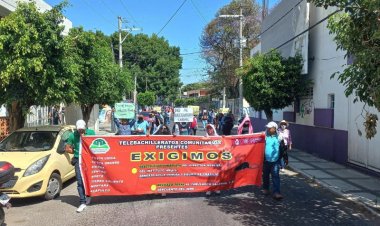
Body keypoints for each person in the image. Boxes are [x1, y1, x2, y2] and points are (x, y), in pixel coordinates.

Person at [65, 119, 95, 212]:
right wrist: (73, 151)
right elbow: (67, 148)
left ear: (85, 127)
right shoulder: (72, 135)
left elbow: (96, 144)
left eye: (82, 129)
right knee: (79, 181)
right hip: (78, 160)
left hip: (88, 159)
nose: (81, 131)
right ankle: (82, 202)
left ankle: (88, 195)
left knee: (88, 179)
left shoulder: (91, 133)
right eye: (79, 129)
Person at [262, 121, 283, 200]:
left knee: (275, 176)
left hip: (275, 160)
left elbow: (283, 147)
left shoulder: (279, 136)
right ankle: (266, 188)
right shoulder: (264, 135)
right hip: (266, 160)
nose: (268, 128)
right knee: (265, 175)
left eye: (270, 127)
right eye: (268, 127)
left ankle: (276, 192)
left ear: (274, 129)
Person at [204, 124, 221, 196]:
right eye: (208, 129)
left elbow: (223, 145)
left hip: (216, 159)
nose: (209, 130)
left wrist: (224, 139)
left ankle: (216, 188)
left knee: (216, 174)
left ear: (213, 129)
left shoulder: (218, 138)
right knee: (209, 175)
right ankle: (209, 189)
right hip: (208, 160)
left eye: (210, 128)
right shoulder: (204, 138)